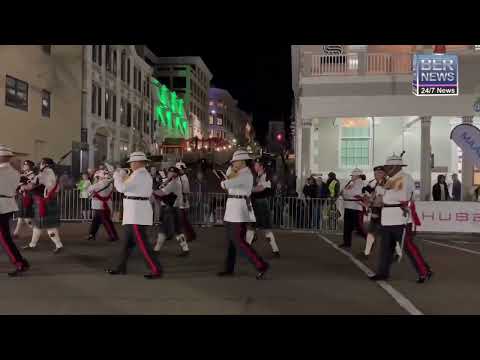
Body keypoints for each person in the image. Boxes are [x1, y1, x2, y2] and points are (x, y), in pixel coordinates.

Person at [369, 154, 433, 283]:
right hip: (387, 219)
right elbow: (380, 195)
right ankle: (383, 273)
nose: (386, 169)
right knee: (385, 249)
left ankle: (424, 272)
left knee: (409, 248)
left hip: (400, 219)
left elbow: (402, 195)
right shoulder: (391, 179)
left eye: (388, 166)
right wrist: (382, 190)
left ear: (396, 166)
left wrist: (384, 195)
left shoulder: (405, 178)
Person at [105, 152, 162, 279]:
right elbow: (129, 184)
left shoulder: (139, 174)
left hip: (136, 213)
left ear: (137, 163)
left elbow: (121, 188)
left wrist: (116, 175)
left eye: (131, 162)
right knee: (127, 244)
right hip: (135, 213)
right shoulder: (140, 174)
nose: (130, 164)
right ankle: (120, 267)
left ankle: (156, 269)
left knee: (142, 245)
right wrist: (122, 174)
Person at [217, 150, 269, 279]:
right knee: (231, 242)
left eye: (235, 161)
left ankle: (260, 264)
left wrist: (226, 180)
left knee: (239, 242)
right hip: (231, 209)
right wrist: (232, 170)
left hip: (239, 210)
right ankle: (228, 268)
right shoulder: (237, 172)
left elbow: (227, 184)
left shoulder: (246, 174)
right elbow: (229, 174)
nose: (233, 163)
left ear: (242, 161)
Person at [357, 166, 402, 260]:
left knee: (389, 233)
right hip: (376, 210)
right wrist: (366, 201)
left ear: (383, 173)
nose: (375, 175)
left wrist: (370, 202)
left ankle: (398, 252)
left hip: (383, 211)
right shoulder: (377, 183)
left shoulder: (387, 183)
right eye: (375, 173)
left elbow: (382, 199)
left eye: (377, 173)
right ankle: (366, 253)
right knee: (371, 232)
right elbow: (373, 196)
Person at [22, 158, 64, 254]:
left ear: (44, 164)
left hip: (44, 202)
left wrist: (23, 186)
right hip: (49, 201)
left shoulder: (45, 173)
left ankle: (58, 245)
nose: (39, 165)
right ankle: (32, 244)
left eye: (41, 163)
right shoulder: (52, 173)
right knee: (38, 226)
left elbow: (32, 185)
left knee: (49, 227)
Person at [0, 145, 30, 277]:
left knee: (4, 237)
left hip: (1, 205)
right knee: (4, 236)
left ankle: (20, 263)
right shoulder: (15, 172)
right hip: (7, 204)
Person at [152, 166, 190, 256]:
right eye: (169, 172)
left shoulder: (174, 183)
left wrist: (152, 191)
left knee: (163, 230)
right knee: (178, 231)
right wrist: (165, 181)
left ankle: (156, 249)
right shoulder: (174, 181)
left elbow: (161, 192)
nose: (169, 173)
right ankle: (185, 249)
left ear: (175, 174)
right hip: (175, 208)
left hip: (171, 209)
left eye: (170, 172)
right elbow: (162, 187)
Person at [246, 158, 280, 257]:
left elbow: (260, 188)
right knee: (252, 226)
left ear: (261, 166)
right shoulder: (258, 176)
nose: (254, 167)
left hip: (261, 204)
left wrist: (249, 189)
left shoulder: (266, 176)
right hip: (257, 203)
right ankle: (275, 250)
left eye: (256, 165)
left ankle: (275, 249)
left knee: (264, 228)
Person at [86, 166, 119, 242]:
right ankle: (92, 234)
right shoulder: (109, 183)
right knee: (96, 221)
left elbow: (89, 189)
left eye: (97, 177)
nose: (96, 178)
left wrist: (88, 185)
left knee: (106, 221)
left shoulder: (102, 183)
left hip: (101, 206)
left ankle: (113, 236)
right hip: (103, 205)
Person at [339, 168, 366, 249]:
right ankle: (347, 242)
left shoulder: (360, 183)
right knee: (347, 226)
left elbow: (354, 193)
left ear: (357, 176)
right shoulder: (352, 183)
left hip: (355, 208)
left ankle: (369, 239)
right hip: (349, 206)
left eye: (353, 175)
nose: (351, 177)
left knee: (359, 227)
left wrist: (345, 192)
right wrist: (345, 192)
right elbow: (345, 193)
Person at [13, 160, 36, 238]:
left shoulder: (32, 175)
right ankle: (16, 232)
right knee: (20, 216)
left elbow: (32, 186)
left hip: (27, 196)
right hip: (22, 196)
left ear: (30, 167)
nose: (24, 166)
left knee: (26, 217)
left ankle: (35, 231)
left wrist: (23, 186)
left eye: (26, 165)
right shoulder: (23, 174)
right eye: (24, 165)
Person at [176, 162, 196, 242]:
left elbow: (185, 191)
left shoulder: (183, 178)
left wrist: (184, 201)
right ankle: (191, 234)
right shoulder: (181, 177)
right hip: (181, 202)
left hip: (182, 203)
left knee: (183, 222)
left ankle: (190, 235)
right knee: (184, 221)